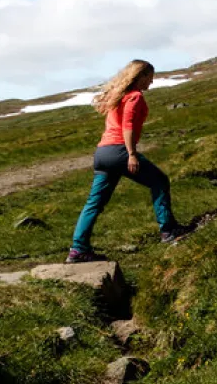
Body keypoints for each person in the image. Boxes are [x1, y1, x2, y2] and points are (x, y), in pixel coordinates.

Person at [67, 60, 191, 263]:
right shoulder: (135, 97)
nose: (151, 83)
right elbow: (128, 125)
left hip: (102, 153)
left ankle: (78, 249)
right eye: (150, 78)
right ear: (140, 76)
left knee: (94, 203)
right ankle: (168, 231)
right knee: (159, 181)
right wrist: (131, 153)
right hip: (119, 151)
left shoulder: (117, 96)